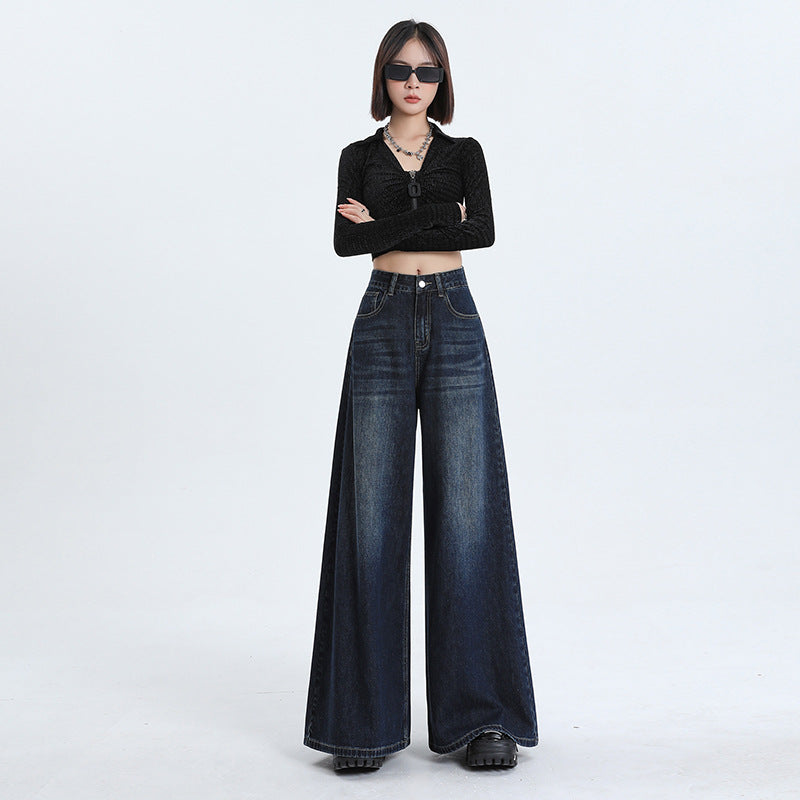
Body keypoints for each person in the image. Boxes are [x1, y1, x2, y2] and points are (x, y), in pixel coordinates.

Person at [302, 19, 539, 771]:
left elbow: (483, 232)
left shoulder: (465, 154)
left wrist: (392, 223)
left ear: (443, 81)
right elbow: (348, 244)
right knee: (370, 517)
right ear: (383, 77)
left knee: (467, 512)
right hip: (380, 318)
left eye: (428, 71)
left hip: (454, 316)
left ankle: (481, 719)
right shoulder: (357, 156)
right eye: (402, 69)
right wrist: (438, 218)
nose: (414, 82)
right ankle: (361, 724)